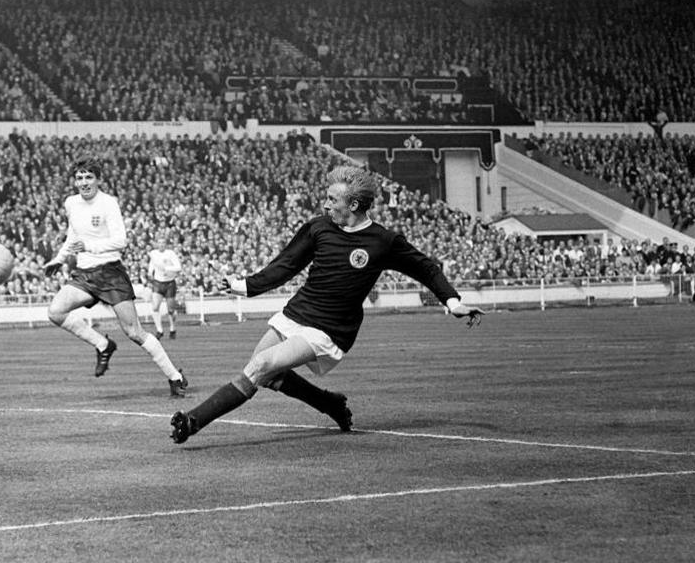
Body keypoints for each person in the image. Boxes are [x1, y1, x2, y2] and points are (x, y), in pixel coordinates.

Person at [170, 166, 485, 444]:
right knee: (269, 375)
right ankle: (330, 404)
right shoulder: (318, 227)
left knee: (261, 366)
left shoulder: (383, 241)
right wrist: (243, 285)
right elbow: (286, 264)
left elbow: (426, 267)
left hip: (330, 328)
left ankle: (192, 421)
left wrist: (452, 302)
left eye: (332, 199)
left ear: (353, 204)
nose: (325, 204)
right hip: (297, 312)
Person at [43, 158, 187, 398]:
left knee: (134, 332)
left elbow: (121, 241)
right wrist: (60, 258)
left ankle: (175, 377)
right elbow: (72, 234)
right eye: (79, 177)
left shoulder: (109, 203)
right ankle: (103, 345)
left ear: (98, 180)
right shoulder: (71, 203)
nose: (84, 182)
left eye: (89, 177)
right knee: (55, 311)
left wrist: (89, 245)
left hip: (110, 273)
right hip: (85, 275)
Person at [147, 235, 182, 340]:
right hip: (158, 283)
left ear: (165, 244)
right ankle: (159, 330)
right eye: (159, 242)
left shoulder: (170, 254)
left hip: (169, 283)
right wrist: (150, 273)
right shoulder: (153, 253)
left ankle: (172, 328)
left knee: (171, 310)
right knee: (155, 307)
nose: (161, 244)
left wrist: (167, 269)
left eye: (163, 242)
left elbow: (178, 267)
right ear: (157, 244)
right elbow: (152, 264)